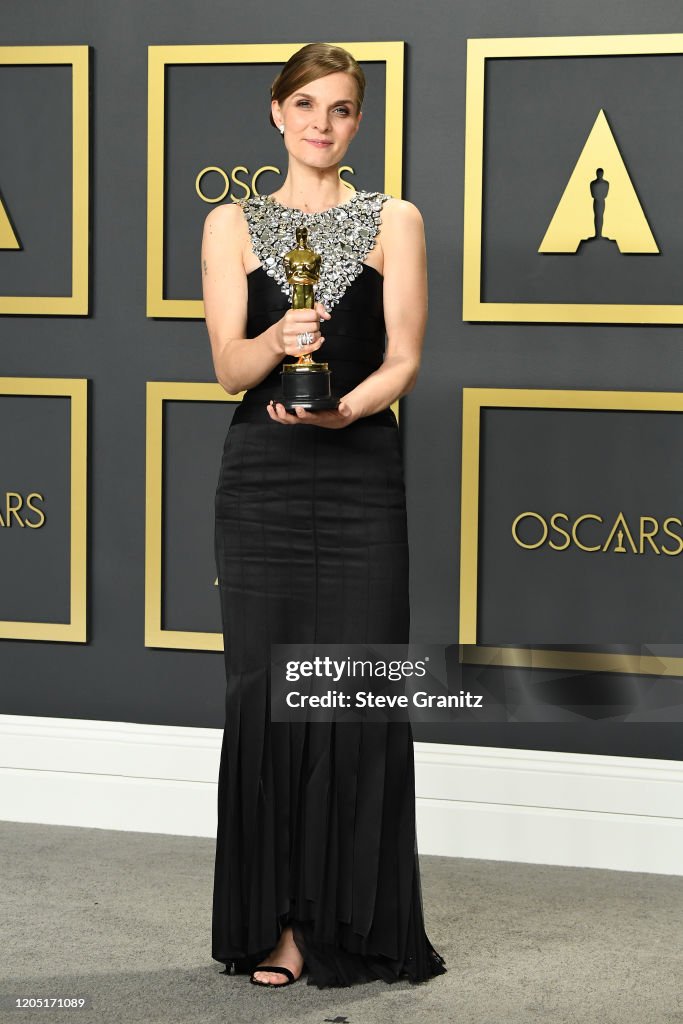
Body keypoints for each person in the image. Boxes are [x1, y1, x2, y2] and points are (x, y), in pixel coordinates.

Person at [201, 41, 446, 990]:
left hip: (358, 472)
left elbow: (405, 356)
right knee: (263, 696)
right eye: (306, 104)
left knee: (350, 693)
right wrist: (273, 336)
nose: (321, 123)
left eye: (341, 109)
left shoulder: (396, 220)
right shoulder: (231, 223)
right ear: (277, 114)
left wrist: (354, 406)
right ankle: (278, 927)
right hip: (260, 477)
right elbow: (227, 367)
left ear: (357, 123)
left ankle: (356, 921)